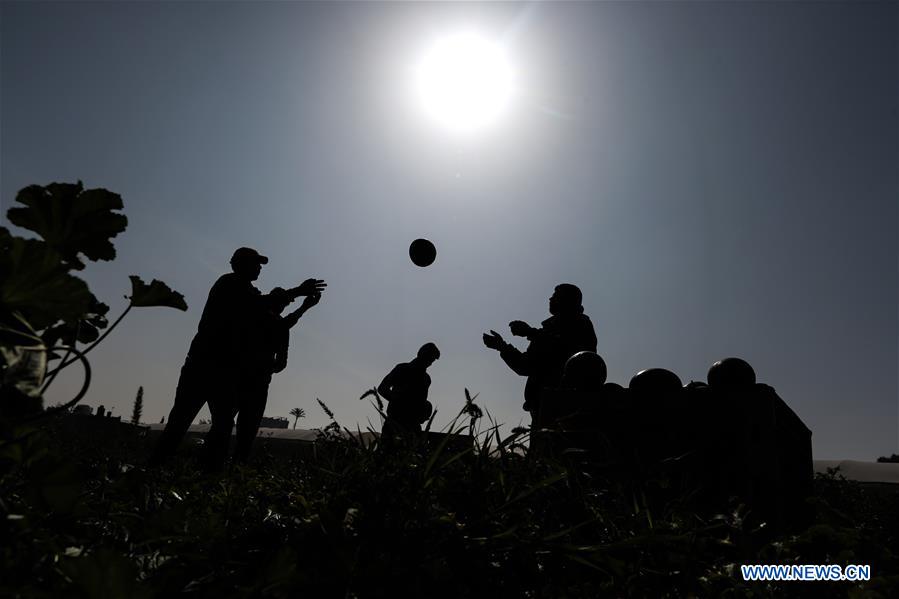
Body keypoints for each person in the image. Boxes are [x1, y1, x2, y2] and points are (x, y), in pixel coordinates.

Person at [150, 247, 325, 466]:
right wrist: (298, 293)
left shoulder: (249, 293)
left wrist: (299, 303)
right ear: (239, 264)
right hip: (203, 367)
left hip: (224, 372)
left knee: (222, 427)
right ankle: (154, 472)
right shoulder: (229, 284)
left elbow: (276, 322)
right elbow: (261, 310)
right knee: (180, 423)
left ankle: (207, 477)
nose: (259, 268)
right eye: (255, 263)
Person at [482, 284, 597, 429]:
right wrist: (502, 346)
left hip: (566, 411)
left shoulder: (580, 324)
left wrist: (531, 333)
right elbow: (526, 366)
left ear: (567, 300)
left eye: (556, 296)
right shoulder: (548, 330)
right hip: (540, 408)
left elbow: (565, 350)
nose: (550, 298)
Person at [228, 288, 321, 463]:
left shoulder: (271, 321)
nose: (283, 306)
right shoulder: (259, 316)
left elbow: (281, 361)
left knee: (237, 427)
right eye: (282, 302)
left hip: (252, 379)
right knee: (237, 426)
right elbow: (281, 361)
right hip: (248, 379)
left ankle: (230, 464)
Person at [377, 343, 440, 441]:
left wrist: (424, 410)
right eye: (429, 359)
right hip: (394, 423)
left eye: (431, 361)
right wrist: (399, 402)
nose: (430, 364)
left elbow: (421, 401)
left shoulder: (426, 379)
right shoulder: (402, 369)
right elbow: (382, 388)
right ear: (421, 355)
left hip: (413, 427)